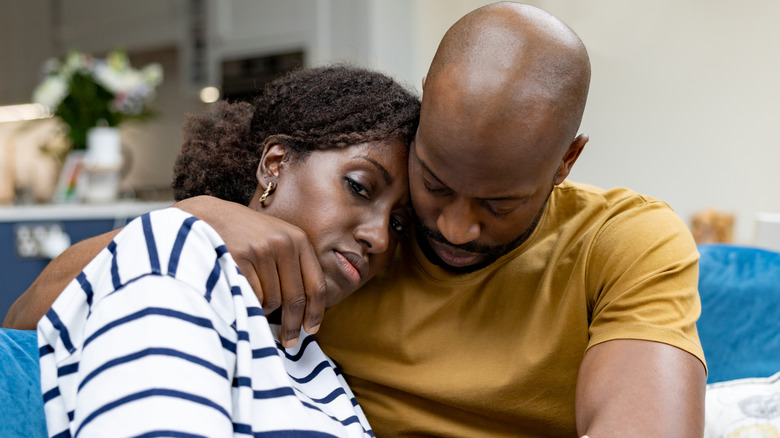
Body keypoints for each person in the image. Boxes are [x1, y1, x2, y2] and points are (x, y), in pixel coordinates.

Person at [6, 3, 707, 437]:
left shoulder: (625, 240)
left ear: (566, 162)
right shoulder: (340, 255)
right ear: (425, 109)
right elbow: (29, 327)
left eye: (500, 204)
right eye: (435, 185)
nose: (458, 228)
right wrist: (195, 222)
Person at [31, 65, 420, 437]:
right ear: (275, 164)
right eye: (359, 187)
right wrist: (192, 218)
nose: (380, 239)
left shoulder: (314, 357)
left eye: (398, 223)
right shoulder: (178, 260)